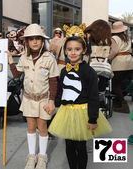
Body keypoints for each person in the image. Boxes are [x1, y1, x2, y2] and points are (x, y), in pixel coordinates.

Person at [48, 26, 112, 169]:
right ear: (65, 51)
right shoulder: (64, 71)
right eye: (69, 49)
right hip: (67, 112)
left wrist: (93, 118)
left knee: (81, 146)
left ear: (83, 50)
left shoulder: (89, 72)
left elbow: (94, 97)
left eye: (77, 49)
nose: (73, 52)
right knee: (69, 146)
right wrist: (53, 103)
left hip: (83, 112)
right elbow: (61, 91)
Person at [8, 24, 59, 169]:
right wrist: (11, 60)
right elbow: (17, 75)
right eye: (31, 39)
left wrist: (51, 101)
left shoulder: (49, 58)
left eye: (38, 38)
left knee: (42, 127)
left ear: (43, 41)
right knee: (31, 127)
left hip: (44, 99)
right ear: (27, 42)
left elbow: (53, 81)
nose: (35, 42)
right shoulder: (24, 57)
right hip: (29, 99)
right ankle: (32, 156)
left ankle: (42, 156)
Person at [110, 21, 133, 113]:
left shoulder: (114, 38)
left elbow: (114, 51)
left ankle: (123, 105)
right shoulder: (127, 38)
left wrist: (107, 58)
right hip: (130, 62)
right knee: (125, 83)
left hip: (119, 63)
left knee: (116, 85)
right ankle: (118, 101)